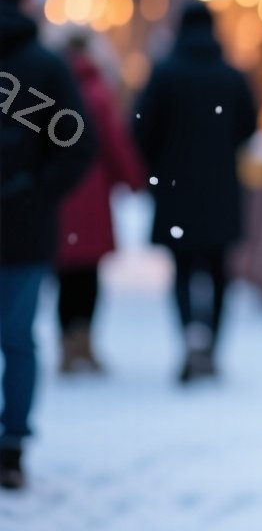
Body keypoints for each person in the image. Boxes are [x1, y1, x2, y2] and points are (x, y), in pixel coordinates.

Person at [0, 0, 95, 489]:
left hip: (22, 219)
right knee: (16, 339)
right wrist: (39, 191)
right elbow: (79, 144)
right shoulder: (45, 66)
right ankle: (10, 449)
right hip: (22, 227)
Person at [133, 2, 256, 384]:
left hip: (176, 189)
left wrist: (161, 165)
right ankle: (212, 345)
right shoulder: (232, 77)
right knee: (219, 272)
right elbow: (249, 127)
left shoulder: (165, 74)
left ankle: (190, 335)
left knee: (183, 268)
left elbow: (140, 130)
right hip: (221, 188)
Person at [50, 27, 146, 374]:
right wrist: (134, 180)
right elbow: (114, 142)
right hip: (91, 192)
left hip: (59, 193)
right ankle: (83, 343)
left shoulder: (48, 89)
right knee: (88, 274)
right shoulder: (97, 91)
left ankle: (66, 346)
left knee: (64, 274)